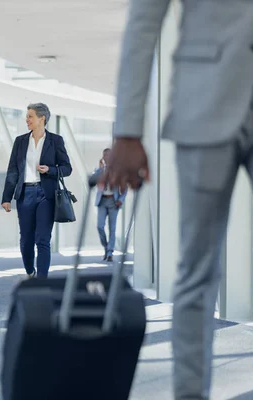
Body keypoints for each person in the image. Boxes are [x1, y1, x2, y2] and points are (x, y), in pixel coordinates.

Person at [104, 2, 253, 399]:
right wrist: (127, 131)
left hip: (204, 99)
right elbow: (143, 21)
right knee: (197, 272)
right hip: (205, 99)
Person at [1, 103, 72, 278]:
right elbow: (13, 171)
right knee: (26, 240)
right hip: (25, 193)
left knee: (43, 239)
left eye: (30, 116)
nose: (27, 120)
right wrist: (6, 198)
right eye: (27, 117)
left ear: (42, 119)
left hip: (46, 194)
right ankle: (30, 272)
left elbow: (67, 168)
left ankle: (42, 279)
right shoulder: (20, 141)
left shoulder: (56, 141)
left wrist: (50, 169)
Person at [95, 148, 126, 262]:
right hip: (102, 201)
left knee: (112, 229)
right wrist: (100, 168)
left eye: (108, 156)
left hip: (113, 201)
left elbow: (125, 188)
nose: (106, 158)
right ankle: (106, 246)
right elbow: (95, 181)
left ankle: (110, 253)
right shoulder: (100, 170)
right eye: (104, 156)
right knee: (100, 226)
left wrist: (121, 200)